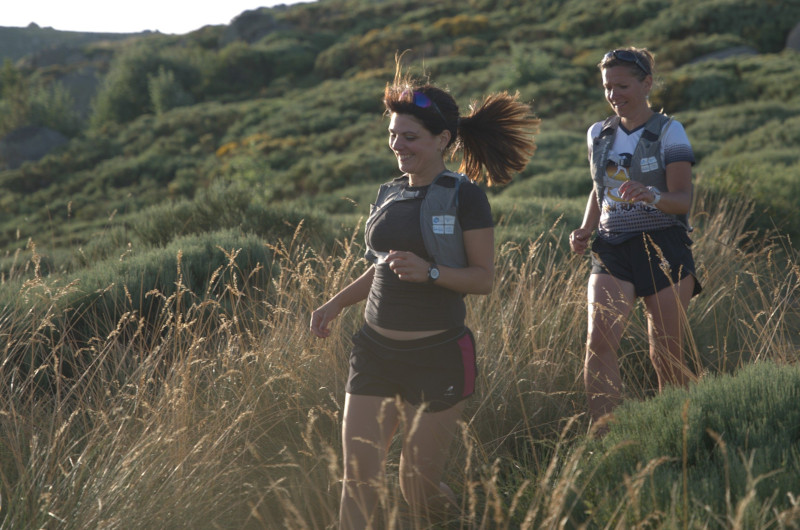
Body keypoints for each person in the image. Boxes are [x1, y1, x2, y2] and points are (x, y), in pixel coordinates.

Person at [310, 62, 538, 528]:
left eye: (410, 137)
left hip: (437, 357)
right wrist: (335, 303)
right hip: (374, 351)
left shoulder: (464, 196)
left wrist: (432, 272)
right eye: (394, 135)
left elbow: (483, 279)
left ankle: (461, 518)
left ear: (442, 140)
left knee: (416, 489)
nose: (398, 146)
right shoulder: (389, 193)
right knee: (359, 481)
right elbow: (381, 268)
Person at [569, 47, 702, 428]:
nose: (613, 95)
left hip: (664, 244)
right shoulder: (599, 133)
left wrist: (652, 195)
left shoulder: (669, 131)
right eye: (608, 88)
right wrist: (585, 229)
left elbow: (682, 200)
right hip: (611, 247)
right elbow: (601, 188)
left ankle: (674, 433)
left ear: (646, 84)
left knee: (665, 352)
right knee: (599, 343)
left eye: (622, 86)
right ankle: (605, 438)